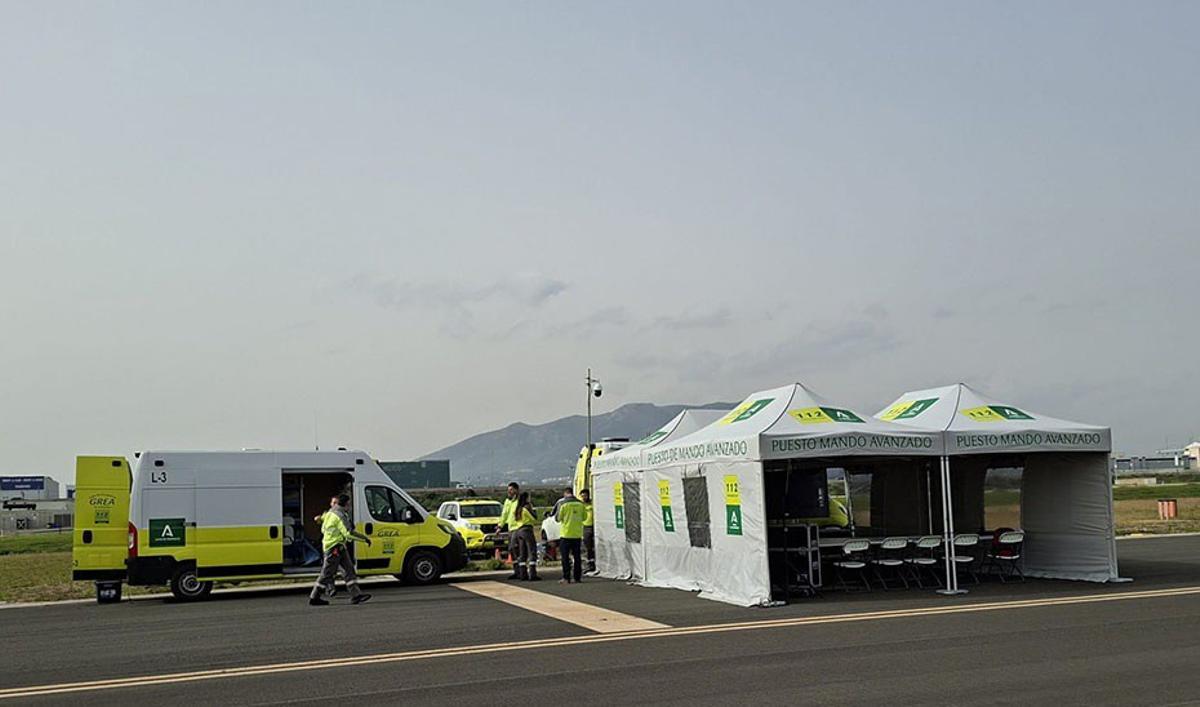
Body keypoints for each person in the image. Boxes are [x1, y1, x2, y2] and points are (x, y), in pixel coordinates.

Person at [309, 494, 372, 606]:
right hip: (334, 547)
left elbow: (322, 521)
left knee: (348, 570)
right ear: (346, 504)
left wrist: (318, 518)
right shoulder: (340, 515)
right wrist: (364, 539)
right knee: (327, 573)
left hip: (338, 546)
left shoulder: (330, 513)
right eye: (349, 504)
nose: (350, 506)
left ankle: (356, 595)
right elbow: (348, 533)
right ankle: (314, 596)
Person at [555, 487, 587, 584]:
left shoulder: (563, 504)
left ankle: (566, 577)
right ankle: (577, 577)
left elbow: (558, 518)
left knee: (565, 558)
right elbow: (584, 517)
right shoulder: (580, 504)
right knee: (577, 557)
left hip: (566, 534)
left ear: (565, 494)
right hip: (577, 534)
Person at [511, 492, 541, 581]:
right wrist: (532, 510)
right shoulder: (526, 508)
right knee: (532, 551)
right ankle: (532, 574)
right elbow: (534, 518)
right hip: (527, 529)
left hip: (518, 531)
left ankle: (523, 574)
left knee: (522, 553)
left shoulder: (517, 509)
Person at [498, 482, 520, 580]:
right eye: (508, 490)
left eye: (511, 490)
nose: (509, 492)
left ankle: (521, 571)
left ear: (516, 490)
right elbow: (504, 515)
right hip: (511, 528)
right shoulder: (508, 502)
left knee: (515, 548)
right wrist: (500, 526)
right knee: (511, 550)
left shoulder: (519, 501)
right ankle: (516, 571)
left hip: (518, 528)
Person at [579, 488, 596, 574]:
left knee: (594, 546)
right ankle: (590, 564)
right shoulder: (581, 505)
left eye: (585, 496)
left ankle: (594, 562)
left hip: (594, 526)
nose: (584, 498)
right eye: (582, 496)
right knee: (588, 547)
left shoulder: (593, 503)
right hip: (586, 527)